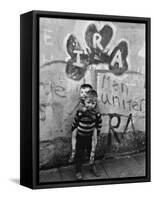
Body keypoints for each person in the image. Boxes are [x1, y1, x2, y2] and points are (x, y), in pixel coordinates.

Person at [70, 90, 102, 180]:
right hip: (80, 137)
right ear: (84, 101)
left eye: (93, 103)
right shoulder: (80, 112)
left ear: (96, 103)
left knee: (91, 153)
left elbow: (99, 124)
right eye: (88, 102)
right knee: (79, 154)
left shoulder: (97, 114)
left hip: (90, 137)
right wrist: (73, 132)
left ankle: (92, 167)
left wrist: (97, 134)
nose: (90, 105)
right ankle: (78, 171)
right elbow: (75, 122)